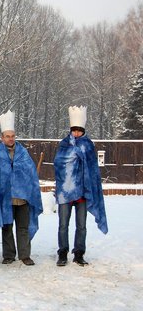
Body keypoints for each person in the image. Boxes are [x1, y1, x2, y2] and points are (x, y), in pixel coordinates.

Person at [54, 106, 108, 266]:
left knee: (81, 225)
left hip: (83, 192)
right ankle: (62, 253)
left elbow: (92, 169)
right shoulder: (64, 144)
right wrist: (74, 154)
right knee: (63, 225)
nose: (76, 133)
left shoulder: (89, 145)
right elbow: (58, 164)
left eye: (79, 130)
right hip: (65, 191)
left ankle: (79, 253)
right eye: (74, 130)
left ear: (83, 130)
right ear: (71, 129)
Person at [0, 110, 43, 266]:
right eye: (7, 136)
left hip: (23, 198)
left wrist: (30, 192)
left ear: (15, 137)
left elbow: (31, 174)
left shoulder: (23, 154)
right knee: (7, 227)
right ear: (2, 137)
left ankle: (25, 255)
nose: (10, 139)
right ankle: (9, 255)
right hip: (6, 199)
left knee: (23, 227)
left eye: (12, 136)